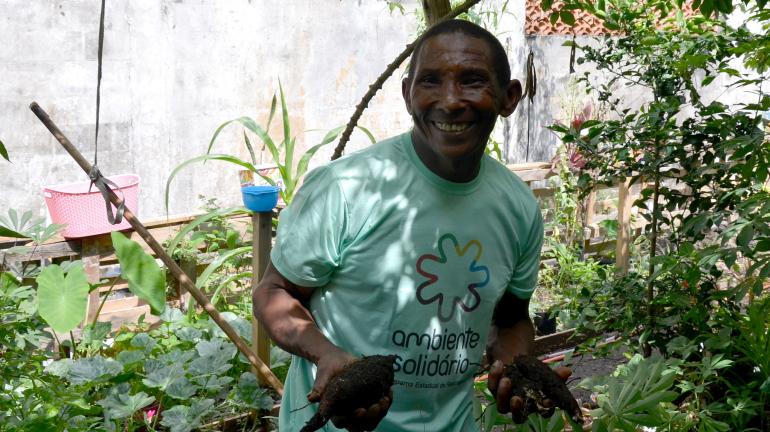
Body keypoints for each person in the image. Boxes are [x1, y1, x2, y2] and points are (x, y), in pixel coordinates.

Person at [253, 19, 563, 432]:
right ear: (407, 94)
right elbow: (274, 292)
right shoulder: (346, 189)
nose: (450, 101)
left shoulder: (517, 207)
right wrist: (325, 353)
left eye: (472, 81)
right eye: (431, 81)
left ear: (509, 98)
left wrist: (514, 367)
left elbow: (511, 318)